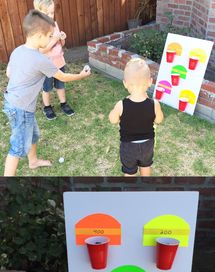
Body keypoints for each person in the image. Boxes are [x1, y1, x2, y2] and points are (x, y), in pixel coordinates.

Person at [3, 10, 91, 176]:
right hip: (20, 108)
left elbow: (9, 73)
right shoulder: (40, 59)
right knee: (18, 147)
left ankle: (33, 161)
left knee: (33, 134)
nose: (52, 39)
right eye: (50, 36)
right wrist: (82, 75)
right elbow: (62, 76)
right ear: (38, 36)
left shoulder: (18, 50)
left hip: (15, 103)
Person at [109, 58, 164, 177]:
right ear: (150, 82)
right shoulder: (154, 104)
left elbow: (113, 120)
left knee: (129, 171)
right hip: (147, 145)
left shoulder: (121, 105)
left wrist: (114, 113)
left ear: (125, 83)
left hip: (128, 146)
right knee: (145, 166)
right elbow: (159, 120)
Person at [33, 0, 73, 120]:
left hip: (59, 61)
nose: (50, 16)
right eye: (47, 13)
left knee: (61, 85)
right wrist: (54, 40)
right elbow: (41, 50)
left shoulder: (54, 24)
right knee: (47, 87)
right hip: (47, 64)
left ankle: (63, 103)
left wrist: (62, 38)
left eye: (52, 13)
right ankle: (47, 107)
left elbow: (61, 44)